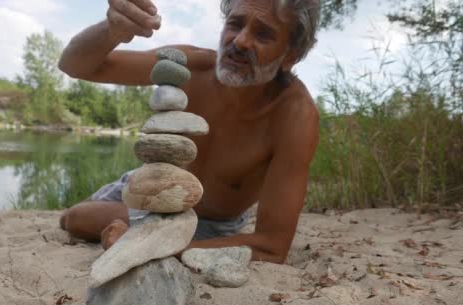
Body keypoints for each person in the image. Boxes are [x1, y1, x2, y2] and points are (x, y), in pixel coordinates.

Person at [58, 0, 320, 264]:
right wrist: (111, 30)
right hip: (149, 182)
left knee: (81, 218)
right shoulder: (190, 67)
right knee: (71, 219)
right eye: (235, 24)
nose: (240, 41)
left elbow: (272, 247)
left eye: (263, 34)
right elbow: (74, 66)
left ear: (290, 56)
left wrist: (155, 247)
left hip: (206, 223)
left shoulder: (295, 116)